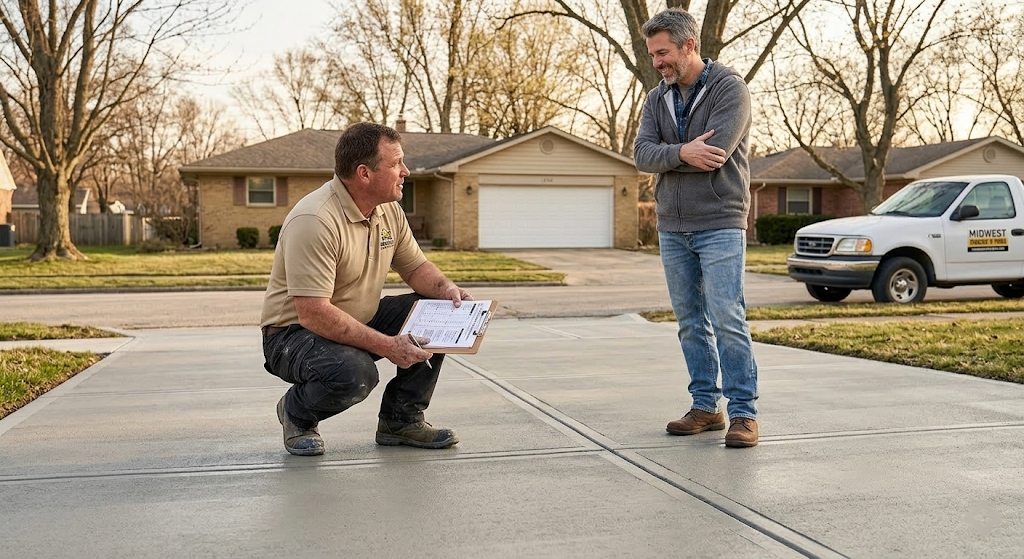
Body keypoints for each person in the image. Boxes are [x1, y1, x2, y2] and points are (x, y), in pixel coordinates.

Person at [260, 122, 471, 456]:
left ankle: (401, 420)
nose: (406, 171)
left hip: (355, 318)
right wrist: (388, 346)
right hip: (293, 336)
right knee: (356, 372)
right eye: (396, 164)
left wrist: (446, 290)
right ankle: (296, 413)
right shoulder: (316, 219)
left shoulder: (388, 211)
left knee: (434, 312)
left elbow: (415, 268)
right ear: (364, 173)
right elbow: (313, 312)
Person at [633, 8, 759, 448]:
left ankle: (744, 413)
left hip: (720, 220)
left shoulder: (730, 90)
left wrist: (671, 155)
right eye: (652, 54)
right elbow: (641, 156)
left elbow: (716, 154)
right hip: (673, 225)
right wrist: (683, 152)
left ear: (690, 45)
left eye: (663, 52)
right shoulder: (656, 98)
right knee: (689, 321)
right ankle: (706, 407)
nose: (657, 62)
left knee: (727, 317)